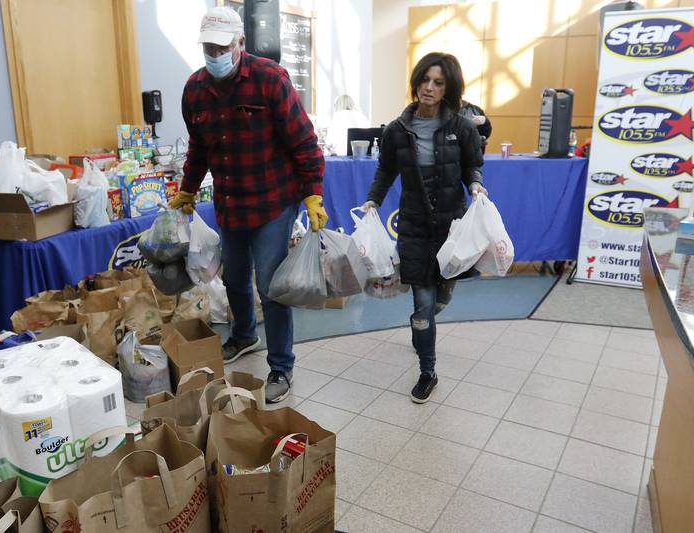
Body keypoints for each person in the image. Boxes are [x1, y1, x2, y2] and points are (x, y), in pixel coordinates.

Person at [169, 7, 327, 403]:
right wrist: (188, 190)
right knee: (234, 279)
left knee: (271, 286)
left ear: (240, 43)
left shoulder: (270, 79)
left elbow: (304, 142)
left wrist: (312, 193)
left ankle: (281, 366)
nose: (215, 53)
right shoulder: (194, 90)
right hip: (230, 204)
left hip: (273, 201)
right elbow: (199, 149)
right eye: (209, 47)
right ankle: (243, 335)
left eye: (223, 46)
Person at [362, 52, 486, 403]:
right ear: (416, 82)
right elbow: (385, 171)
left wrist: (475, 184)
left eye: (438, 82)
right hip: (414, 225)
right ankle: (427, 370)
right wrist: (373, 199)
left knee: (439, 299)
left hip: (451, 227)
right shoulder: (397, 130)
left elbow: (472, 166)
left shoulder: (461, 128)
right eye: (424, 80)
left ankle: (424, 323)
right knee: (422, 303)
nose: (429, 88)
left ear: (448, 88)